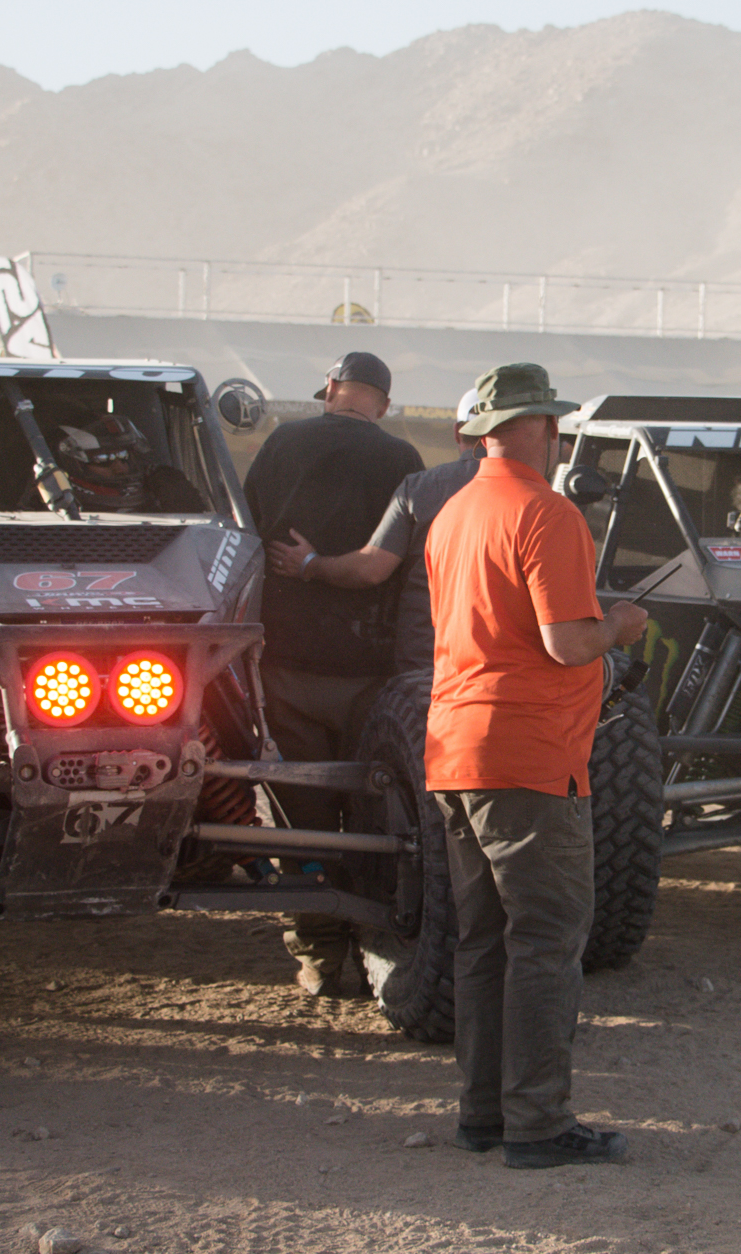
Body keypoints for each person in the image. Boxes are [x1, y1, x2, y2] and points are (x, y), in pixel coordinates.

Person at [422, 362, 650, 1169]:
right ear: (544, 428)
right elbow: (564, 641)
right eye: (553, 424)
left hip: (455, 750)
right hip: (529, 755)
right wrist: (619, 624)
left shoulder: (452, 513)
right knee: (548, 938)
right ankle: (539, 1125)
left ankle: (484, 1114)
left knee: (483, 940)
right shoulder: (546, 513)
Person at [241, 351, 422, 997]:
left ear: (331, 389)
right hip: (371, 675)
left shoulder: (283, 443)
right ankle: (382, 942)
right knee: (378, 819)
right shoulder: (400, 460)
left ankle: (318, 955)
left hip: (288, 666)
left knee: (301, 820)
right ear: (383, 401)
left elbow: (243, 534)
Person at [266, 389, 483, 673]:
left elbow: (371, 569)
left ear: (457, 432)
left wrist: (310, 564)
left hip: (429, 665)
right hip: (504, 671)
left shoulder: (422, 488)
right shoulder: (540, 499)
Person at [49, 412, 207, 514]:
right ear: (74, 465)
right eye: (104, 460)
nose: (120, 468)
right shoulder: (49, 504)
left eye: (123, 456)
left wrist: (174, 488)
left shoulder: (158, 484)